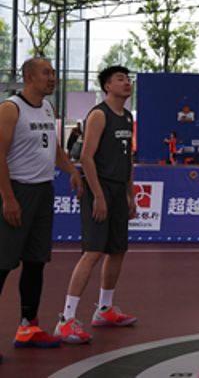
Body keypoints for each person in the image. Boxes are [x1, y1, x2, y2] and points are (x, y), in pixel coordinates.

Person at [0, 58, 83, 357]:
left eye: (54, 73)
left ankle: (28, 326)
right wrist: (8, 197)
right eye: (46, 73)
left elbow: (54, 149)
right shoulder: (11, 109)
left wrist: (71, 170)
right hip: (17, 191)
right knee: (2, 264)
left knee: (35, 262)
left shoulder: (47, 108)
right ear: (29, 77)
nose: (52, 78)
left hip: (43, 191)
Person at [56, 66, 136, 345]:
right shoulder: (99, 115)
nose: (127, 83)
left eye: (128, 79)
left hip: (118, 189)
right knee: (92, 252)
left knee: (117, 251)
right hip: (99, 188)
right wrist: (99, 196)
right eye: (120, 79)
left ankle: (104, 309)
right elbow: (86, 157)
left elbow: (127, 160)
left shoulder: (127, 117)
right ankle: (66, 319)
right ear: (107, 87)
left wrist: (130, 194)